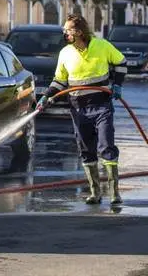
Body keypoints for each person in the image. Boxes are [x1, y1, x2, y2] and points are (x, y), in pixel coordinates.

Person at [37, 14, 127, 205]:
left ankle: (114, 193)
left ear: (79, 31)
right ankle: (95, 193)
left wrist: (117, 85)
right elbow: (60, 80)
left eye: (67, 29)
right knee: (86, 149)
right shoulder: (65, 53)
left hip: (102, 106)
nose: (64, 32)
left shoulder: (102, 46)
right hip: (78, 109)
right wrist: (47, 95)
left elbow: (121, 63)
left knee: (106, 146)